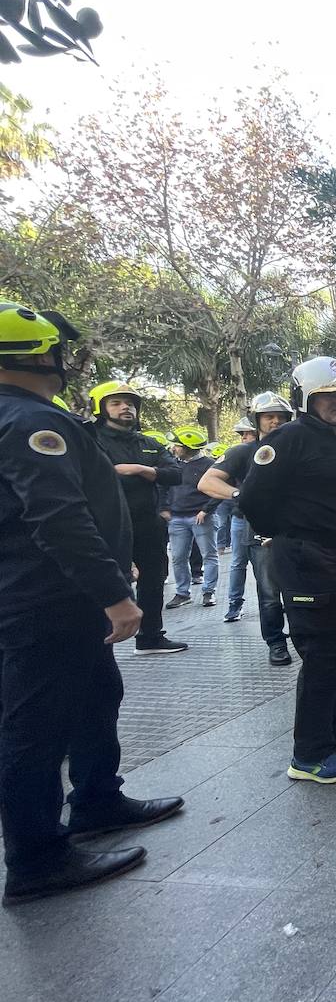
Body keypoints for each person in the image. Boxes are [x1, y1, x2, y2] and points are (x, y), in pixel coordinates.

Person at [0, 303, 182, 907]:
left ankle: (98, 800)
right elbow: (57, 517)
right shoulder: (27, 420)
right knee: (36, 729)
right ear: (41, 353)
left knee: (95, 695)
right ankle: (37, 858)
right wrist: (114, 595)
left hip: (56, 595)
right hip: (47, 599)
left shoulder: (25, 415)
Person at [237, 358, 336, 784]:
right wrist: (289, 534)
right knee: (320, 654)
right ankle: (309, 754)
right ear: (306, 399)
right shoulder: (288, 439)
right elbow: (253, 500)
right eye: (328, 396)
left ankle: (335, 726)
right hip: (305, 559)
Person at [86, 380, 188, 656]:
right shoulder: (87, 438)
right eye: (116, 403)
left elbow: (175, 474)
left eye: (129, 403)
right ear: (100, 408)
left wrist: (140, 469)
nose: (125, 408)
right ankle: (98, 640)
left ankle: (151, 637)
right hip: (106, 524)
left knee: (154, 579)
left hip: (147, 523)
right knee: (110, 578)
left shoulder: (149, 443)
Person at [197, 392, 294, 664]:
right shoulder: (244, 451)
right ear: (258, 420)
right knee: (269, 593)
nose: (275, 422)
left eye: (281, 417)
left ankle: (304, 640)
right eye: (269, 416)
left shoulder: (300, 448)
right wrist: (240, 496)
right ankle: (276, 643)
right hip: (258, 530)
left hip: (298, 529)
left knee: (300, 590)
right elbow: (207, 482)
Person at [162, 426, 221, 609]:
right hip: (177, 518)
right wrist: (165, 508)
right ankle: (182, 593)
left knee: (209, 555)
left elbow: (219, 490)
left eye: (178, 445)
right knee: (178, 557)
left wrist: (206, 510)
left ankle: (208, 592)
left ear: (187, 447)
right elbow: (163, 486)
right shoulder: (174, 464)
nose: (174, 448)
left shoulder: (209, 465)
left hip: (202, 517)